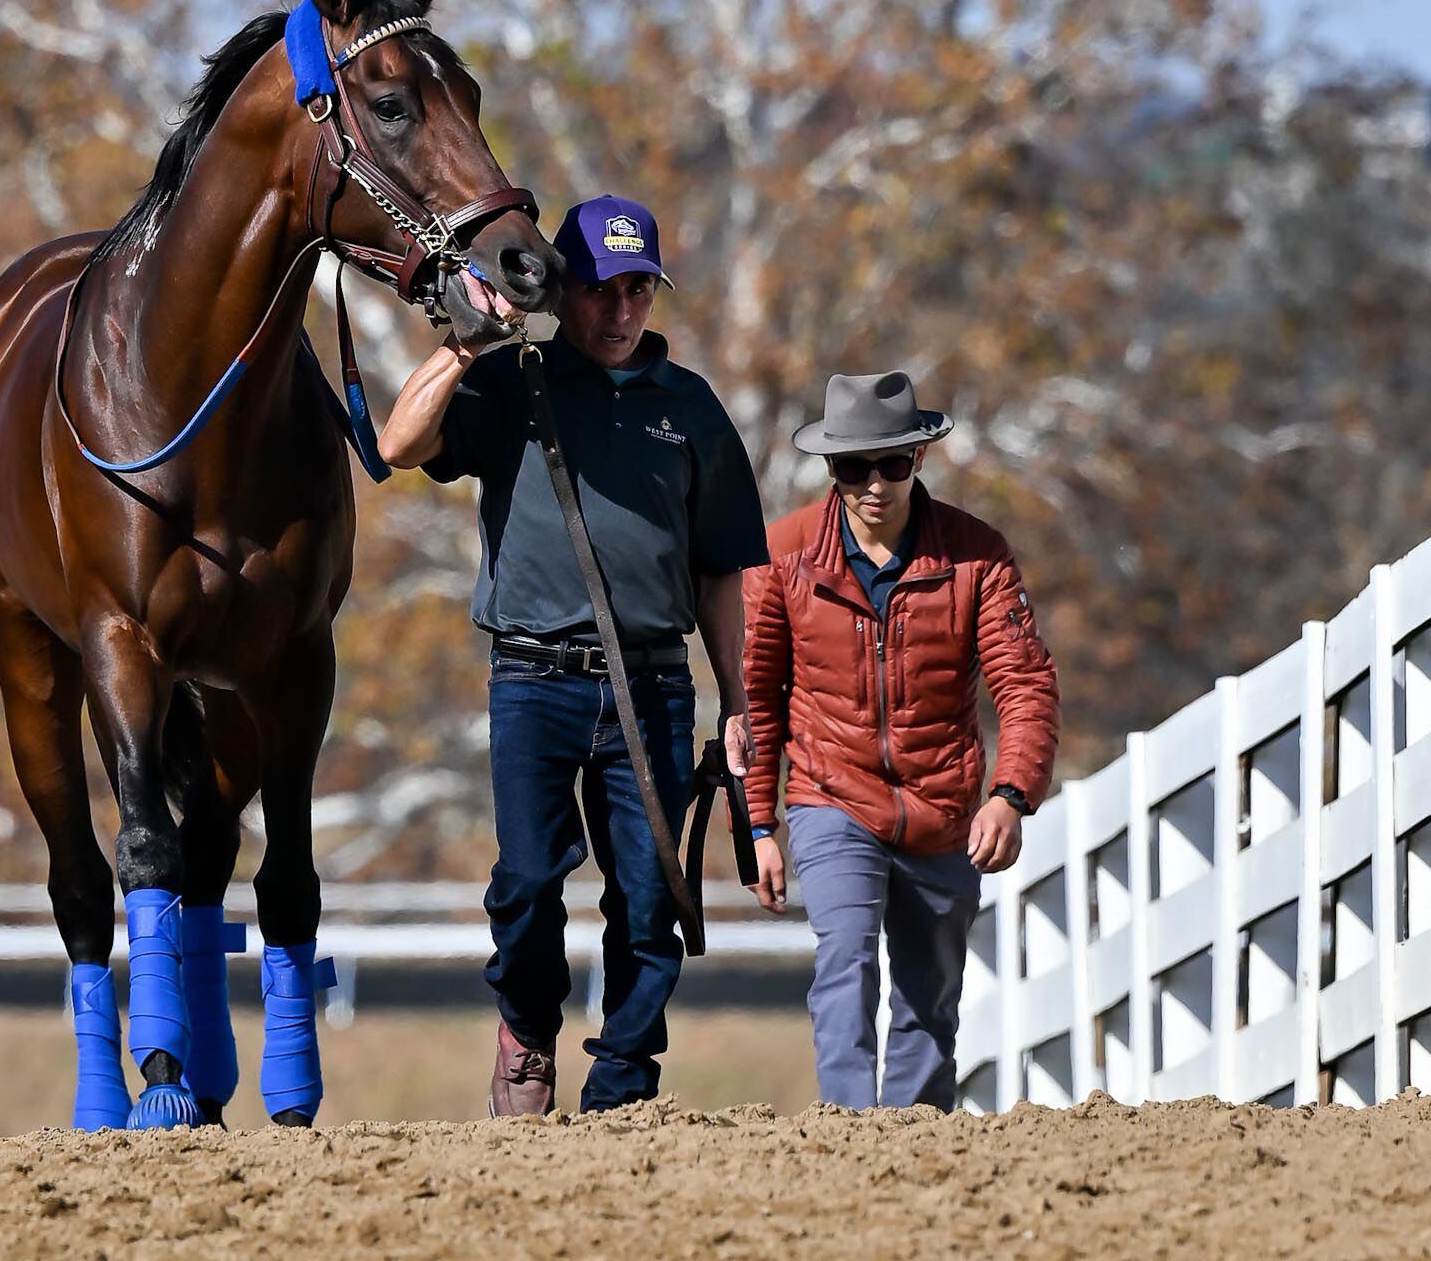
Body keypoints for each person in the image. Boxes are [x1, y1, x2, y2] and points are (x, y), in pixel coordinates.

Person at [378, 194, 767, 1114]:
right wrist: (467, 339)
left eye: (639, 289)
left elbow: (721, 576)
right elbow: (397, 443)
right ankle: (525, 1031)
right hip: (532, 680)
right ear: (563, 287)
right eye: (601, 287)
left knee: (650, 894)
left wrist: (742, 707)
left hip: (657, 687)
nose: (622, 309)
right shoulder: (514, 381)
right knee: (525, 887)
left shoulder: (693, 408)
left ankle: (626, 1077)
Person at [735, 371, 1059, 1109]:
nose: (874, 484)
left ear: (919, 459)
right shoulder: (781, 557)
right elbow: (754, 700)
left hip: (943, 805)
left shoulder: (979, 557)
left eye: (893, 464)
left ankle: (912, 1146)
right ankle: (849, 1130)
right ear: (830, 470)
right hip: (830, 794)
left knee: (931, 995)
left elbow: (1026, 684)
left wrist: (1011, 795)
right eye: (855, 467)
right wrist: (755, 823)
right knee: (845, 956)